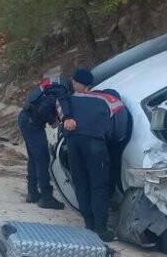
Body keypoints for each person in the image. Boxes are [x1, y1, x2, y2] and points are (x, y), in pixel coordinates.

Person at [59, 68, 121, 242]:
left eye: (74, 81)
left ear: (79, 83)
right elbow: (118, 128)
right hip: (95, 145)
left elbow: (60, 115)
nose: (72, 84)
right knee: (99, 186)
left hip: (73, 145)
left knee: (81, 184)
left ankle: (89, 224)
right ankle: (101, 229)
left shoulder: (67, 100)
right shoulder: (107, 100)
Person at [16, 76, 67, 209]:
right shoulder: (61, 91)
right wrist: (53, 121)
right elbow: (44, 109)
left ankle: (32, 192)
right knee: (42, 158)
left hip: (26, 119)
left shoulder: (55, 84)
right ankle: (46, 197)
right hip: (32, 123)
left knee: (34, 158)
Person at [100, 89, 132, 199]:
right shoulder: (123, 110)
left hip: (113, 147)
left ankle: (109, 197)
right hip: (119, 146)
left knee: (111, 173)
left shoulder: (113, 111)